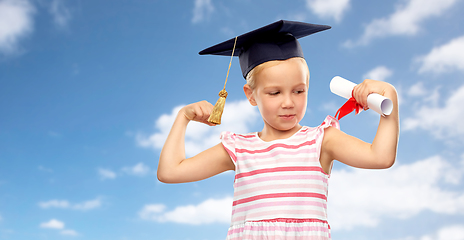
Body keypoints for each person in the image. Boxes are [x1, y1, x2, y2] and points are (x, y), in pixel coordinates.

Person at [157, 20, 399, 240]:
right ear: (251, 95)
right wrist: (183, 118)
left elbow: (381, 157)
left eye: (299, 90)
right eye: (274, 92)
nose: (288, 102)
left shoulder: (321, 140)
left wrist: (390, 97)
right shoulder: (239, 149)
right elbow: (170, 172)